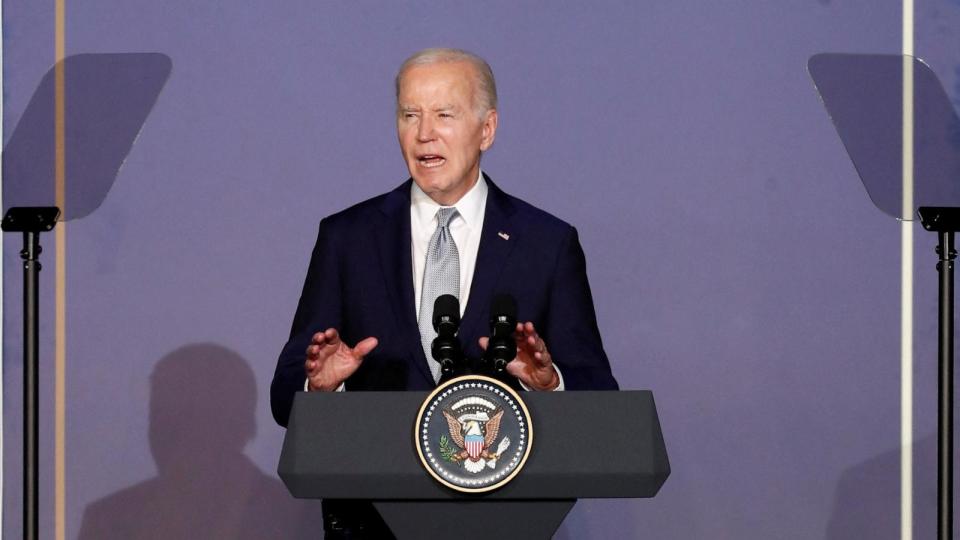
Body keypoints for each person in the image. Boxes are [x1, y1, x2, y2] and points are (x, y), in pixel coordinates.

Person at [271, 47, 618, 538]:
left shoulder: (547, 244)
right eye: (409, 114)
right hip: (372, 523)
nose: (424, 133)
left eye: (444, 114)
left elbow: (600, 397)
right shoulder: (348, 237)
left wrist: (549, 384)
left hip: (502, 518)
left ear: (487, 129)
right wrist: (323, 389)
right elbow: (285, 397)